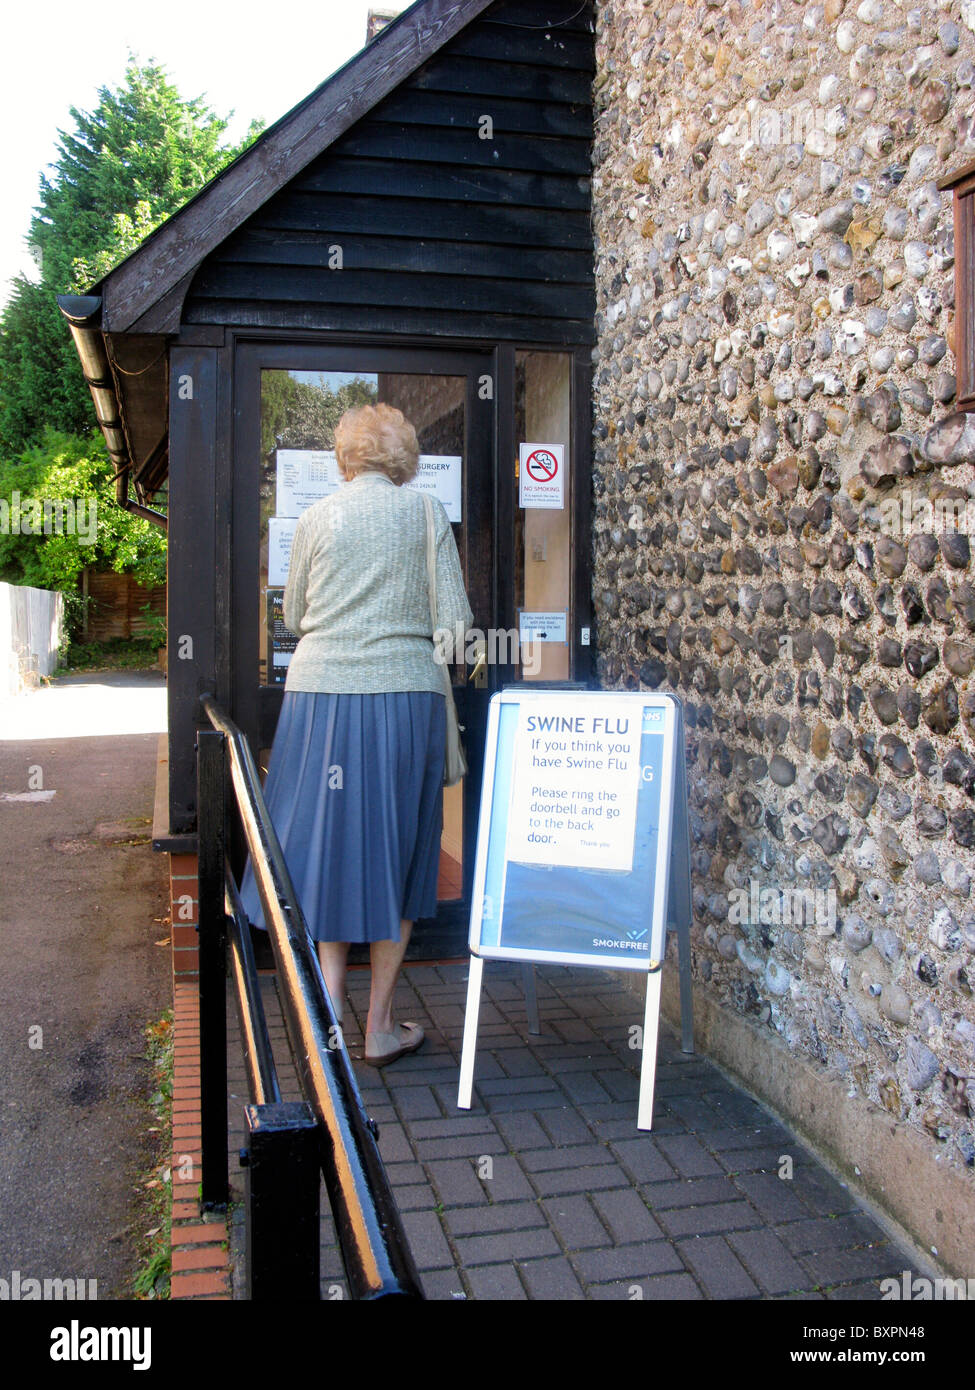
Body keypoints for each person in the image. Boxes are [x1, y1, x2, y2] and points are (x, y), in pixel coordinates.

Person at [240, 402, 473, 1066]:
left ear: (343, 456)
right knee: (399, 855)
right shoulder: (425, 513)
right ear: (404, 457)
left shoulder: (315, 518)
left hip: (317, 701)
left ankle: (327, 1030)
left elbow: (295, 613)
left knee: (328, 853)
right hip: (403, 699)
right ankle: (376, 1028)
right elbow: (454, 626)